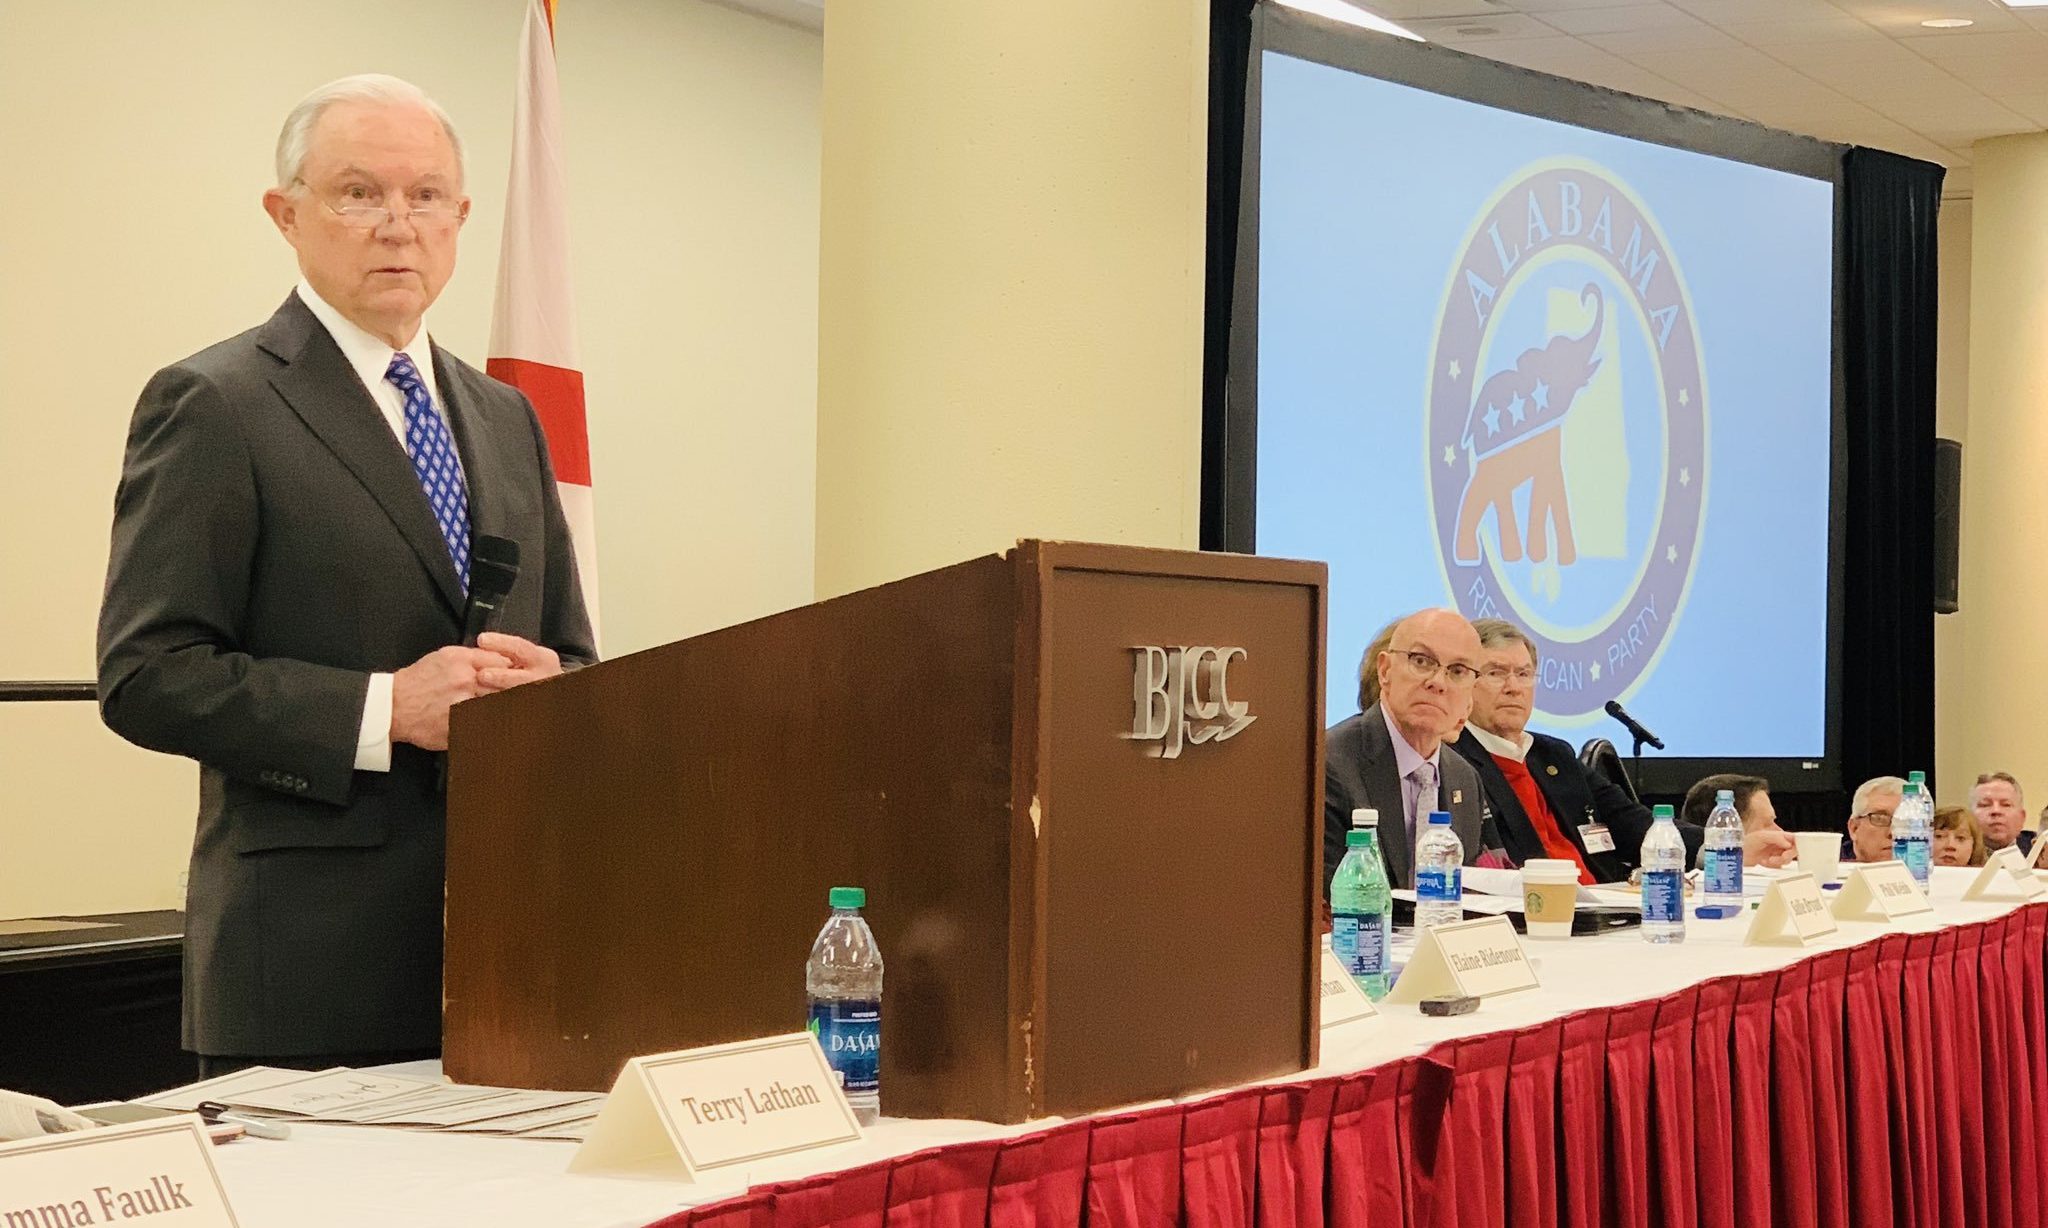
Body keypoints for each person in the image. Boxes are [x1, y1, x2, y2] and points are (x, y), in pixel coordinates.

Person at [96, 75, 597, 1075]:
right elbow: (147, 674)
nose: (397, 227)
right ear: (287, 215)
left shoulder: (507, 417)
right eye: (359, 193)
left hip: (514, 960)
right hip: (307, 977)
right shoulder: (214, 404)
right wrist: (385, 709)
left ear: (461, 219)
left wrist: (551, 696)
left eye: (424, 198)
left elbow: (576, 653)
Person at [1454, 621, 1795, 884]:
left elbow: (1634, 823)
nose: (1514, 686)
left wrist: (1725, 851)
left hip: (1605, 905)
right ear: (1465, 680)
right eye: (1496, 673)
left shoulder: (1552, 754)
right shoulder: (1454, 761)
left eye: (1524, 674)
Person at [1325, 609, 1492, 892]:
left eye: (1458, 671)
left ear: (1471, 694)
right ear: (1385, 670)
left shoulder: (1465, 779)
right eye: (1421, 661)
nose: (1437, 682)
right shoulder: (1330, 764)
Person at [1840, 776, 1906, 865]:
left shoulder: (1928, 874)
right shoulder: (1827, 873)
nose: (1893, 833)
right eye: (1880, 819)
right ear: (1854, 828)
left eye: (1905, 822)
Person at [1970, 772, 2034, 856]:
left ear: (2022, 818)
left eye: (2006, 805)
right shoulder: (1953, 855)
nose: (1996, 811)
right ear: (1970, 817)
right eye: (1985, 805)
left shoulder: (2040, 853)